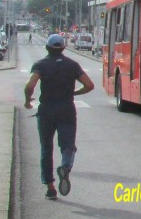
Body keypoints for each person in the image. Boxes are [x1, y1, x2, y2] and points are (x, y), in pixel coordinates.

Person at [24, 34, 95, 200]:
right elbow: (89, 85)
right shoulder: (72, 65)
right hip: (67, 109)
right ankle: (65, 166)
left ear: (47, 48)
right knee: (68, 145)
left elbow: (30, 85)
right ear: (63, 48)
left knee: (46, 148)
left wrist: (28, 101)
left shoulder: (40, 65)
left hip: (47, 110)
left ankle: (50, 187)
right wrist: (73, 92)